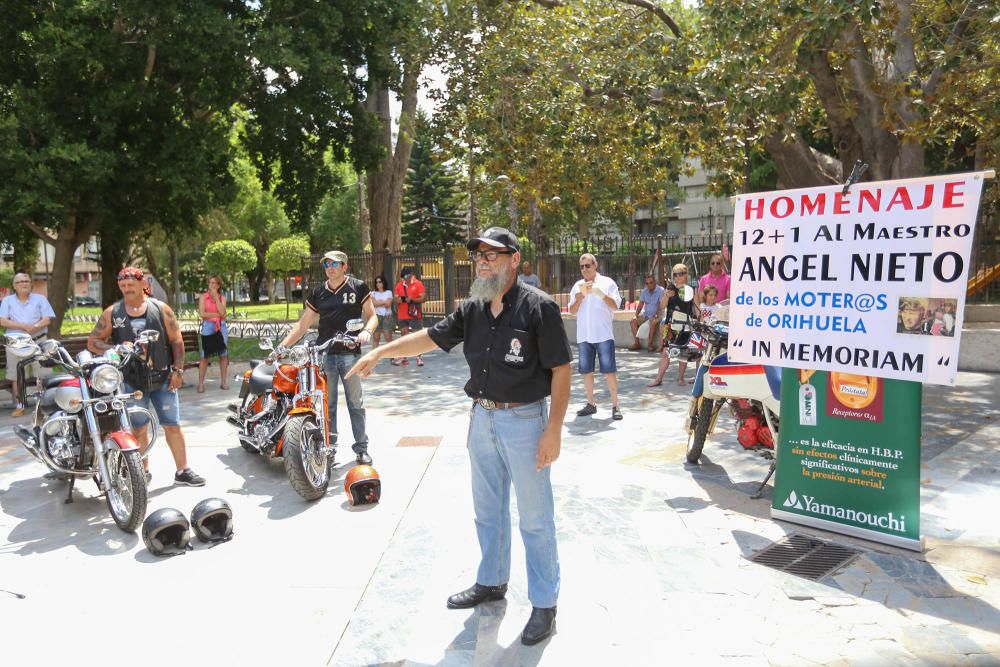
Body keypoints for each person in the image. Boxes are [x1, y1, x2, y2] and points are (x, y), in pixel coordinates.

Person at [346, 226, 571, 646]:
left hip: (525, 421)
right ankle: (492, 581)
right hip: (481, 420)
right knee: (487, 509)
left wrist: (553, 430)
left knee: (536, 519)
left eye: (492, 254)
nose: (482, 261)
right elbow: (428, 339)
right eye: (478, 256)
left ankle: (545, 605)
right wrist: (379, 351)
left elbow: (561, 370)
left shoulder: (538, 309)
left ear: (514, 259)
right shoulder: (474, 308)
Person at [87, 267, 205, 486]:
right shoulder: (112, 312)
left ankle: (183, 470)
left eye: (131, 285)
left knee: (172, 425)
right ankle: (143, 472)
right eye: (122, 286)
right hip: (131, 381)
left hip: (162, 377)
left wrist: (178, 371)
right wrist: (114, 346)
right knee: (139, 427)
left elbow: (177, 341)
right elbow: (93, 342)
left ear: (143, 284)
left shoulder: (160, 309)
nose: (127, 289)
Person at [279, 251, 377, 465]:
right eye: (326, 264)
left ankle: (361, 448)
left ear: (344, 266)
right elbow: (303, 324)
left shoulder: (358, 287)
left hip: (350, 353)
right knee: (326, 404)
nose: (330, 267)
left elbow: (372, 316)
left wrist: (367, 331)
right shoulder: (319, 292)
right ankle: (329, 448)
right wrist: (282, 346)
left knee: (355, 403)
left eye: (334, 263)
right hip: (325, 355)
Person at [569, 253, 623, 420]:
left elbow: (616, 306)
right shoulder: (577, 285)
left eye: (588, 265)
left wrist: (601, 294)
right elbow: (571, 311)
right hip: (584, 335)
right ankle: (591, 403)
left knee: (609, 371)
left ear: (595, 265)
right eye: (582, 266)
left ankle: (616, 406)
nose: (584, 269)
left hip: (603, 334)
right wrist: (578, 299)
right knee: (587, 372)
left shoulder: (607, 283)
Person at [0, 273, 55, 417]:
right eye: (20, 282)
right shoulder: (7, 301)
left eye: (26, 281)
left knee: (43, 374)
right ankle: (20, 405)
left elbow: (47, 319)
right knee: (17, 375)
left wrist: (35, 326)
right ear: (14, 286)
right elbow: (3, 321)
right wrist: (23, 326)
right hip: (16, 344)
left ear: (30, 284)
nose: (24, 283)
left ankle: (45, 405)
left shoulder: (40, 299)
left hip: (39, 341)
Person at [649, 264, 700, 387]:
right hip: (671, 325)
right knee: (666, 352)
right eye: (675, 274)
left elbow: (697, 308)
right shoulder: (670, 288)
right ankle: (658, 378)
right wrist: (666, 296)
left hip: (685, 326)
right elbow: (661, 307)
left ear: (686, 275)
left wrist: (699, 322)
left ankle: (681, 379)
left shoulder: (691, 290)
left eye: (681, 273)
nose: (678, 276)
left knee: (683, 353)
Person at [196, 275, 229, 392]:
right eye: (210, 283)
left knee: (223, 354)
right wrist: (218, 315)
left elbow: (223, 312)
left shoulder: (222, 298)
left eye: (214, 283)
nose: (212, 285)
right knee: (204, 355)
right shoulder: (203, 297)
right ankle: (200, 384)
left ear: (218, 285)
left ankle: (223, 382)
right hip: (208, 327)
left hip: (221, 327)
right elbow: (203, 314)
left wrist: (216, 298)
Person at [392, 267, 427, 367]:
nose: (405, 279)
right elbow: (394, 299)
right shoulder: (399, 285)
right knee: (404, 336)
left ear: (411, 274)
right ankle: (404, 357)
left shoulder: (418, 284)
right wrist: (398, 300)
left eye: (406, 277)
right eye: (403, 277)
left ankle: (419, 357)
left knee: (417, 336)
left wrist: (412, 299)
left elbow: (423, 298)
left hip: (415, 314)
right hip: (402, 315)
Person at [629, 274, 664, 352]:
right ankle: (637, 343)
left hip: (657, 315)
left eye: (651, 282)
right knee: (632, 321)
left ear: (655, 282)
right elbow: (640, 304)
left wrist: (656, 316)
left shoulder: (660, 290)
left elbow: (661, 306)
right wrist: (636, 315)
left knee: (652, 321)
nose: (649, 285)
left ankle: (650, 345)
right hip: (646, 315)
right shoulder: (644, 291)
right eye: (647, 283)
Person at [370, 275, 394, 349]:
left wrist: (378, 302)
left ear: (383, 282)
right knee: (376, 337)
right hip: (376, 317)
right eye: (376, 282)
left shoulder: (388, 292)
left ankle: (392, 356)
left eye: (380, 282)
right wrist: (383, 302)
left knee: (388, 337)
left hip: (387, 316)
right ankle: (373, 357)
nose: (378, 284)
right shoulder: (373, 293)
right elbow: (373, 304)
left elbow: (388, 304)